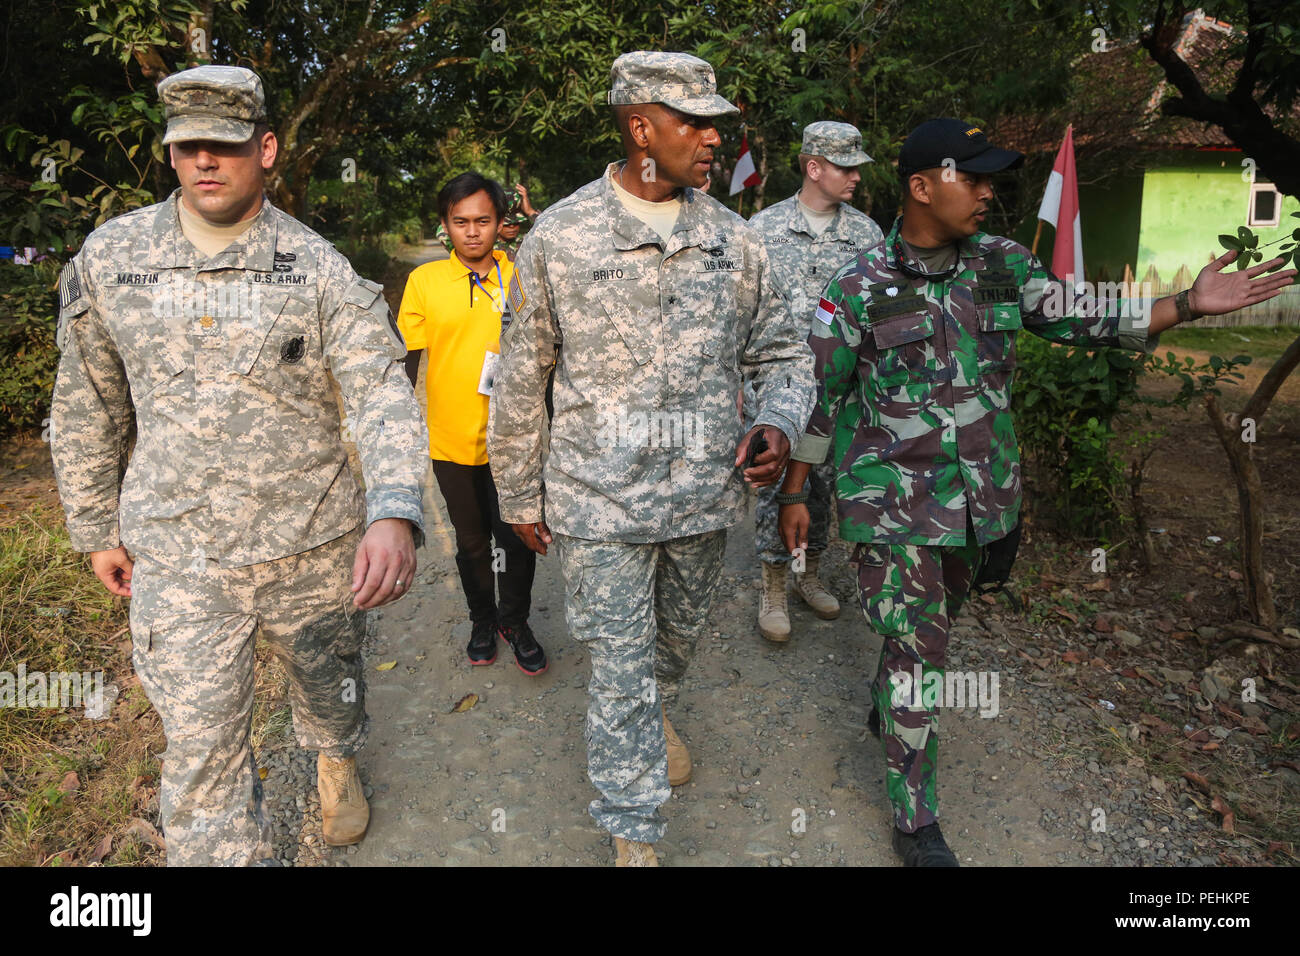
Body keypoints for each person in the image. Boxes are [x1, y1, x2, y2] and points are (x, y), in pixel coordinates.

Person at [778, 117, 1298, 866]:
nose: (989, 193)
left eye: (993, 180)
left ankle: (896, 690)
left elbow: (1084, 320)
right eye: (975, 178)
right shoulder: (858, 288)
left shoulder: (1000, 266)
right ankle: (915, 818)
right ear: (922, 187)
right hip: (890, 508)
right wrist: (797, 494)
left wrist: (1184, 304)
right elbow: (821, 399)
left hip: (982, 503)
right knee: (919, 650)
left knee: (933, 629)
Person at [49, 65, 429, 866]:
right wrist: (93, 526)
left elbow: (380, 393)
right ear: (171, 153)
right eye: (188, 147)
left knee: (331, 693)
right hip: (181, 557)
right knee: (201, 754)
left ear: (265, 149)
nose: (205, 163)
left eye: (224, 146)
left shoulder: (315, 266)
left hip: (312, 547)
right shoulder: (112, 260)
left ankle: (334, 757)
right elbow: (88, 401)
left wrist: (394, 508)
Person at [487, 51, 814, 866]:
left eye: (715, 124)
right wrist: (518, 494)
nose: (711, 138)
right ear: (641, 128)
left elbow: (783, 354)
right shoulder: (560, 237)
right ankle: (636, 835)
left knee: (673, 647)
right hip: (600, 502)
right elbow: (523, 372)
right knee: (620, 667)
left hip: (704, 501)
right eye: (694, 122)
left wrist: (775, 422)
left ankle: (653, 709)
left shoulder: (735, 243)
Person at [397, 172, 545, 674]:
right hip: (452, 439)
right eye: (460, 222)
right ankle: (482, 619)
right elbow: (408, 359)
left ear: (501, 223)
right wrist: (394, 426)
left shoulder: (522, 276)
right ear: (445, 226)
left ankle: (516, 621)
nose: (473, 232)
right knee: (472, 540)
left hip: (517, 441)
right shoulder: (425, 282)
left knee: (517, 535)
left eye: (483, 220)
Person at [747, 120, 884, 643]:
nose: (854, 176)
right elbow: (744, 311)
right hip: (777, 384)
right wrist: (743, 377)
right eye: (845, 167)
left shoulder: (866, 234)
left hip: (841, 388)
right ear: (814, 168)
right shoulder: (762, 230)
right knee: (775, 479)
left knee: (824, 481)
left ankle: (808, 572)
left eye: (856, 167)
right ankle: (773, 584)